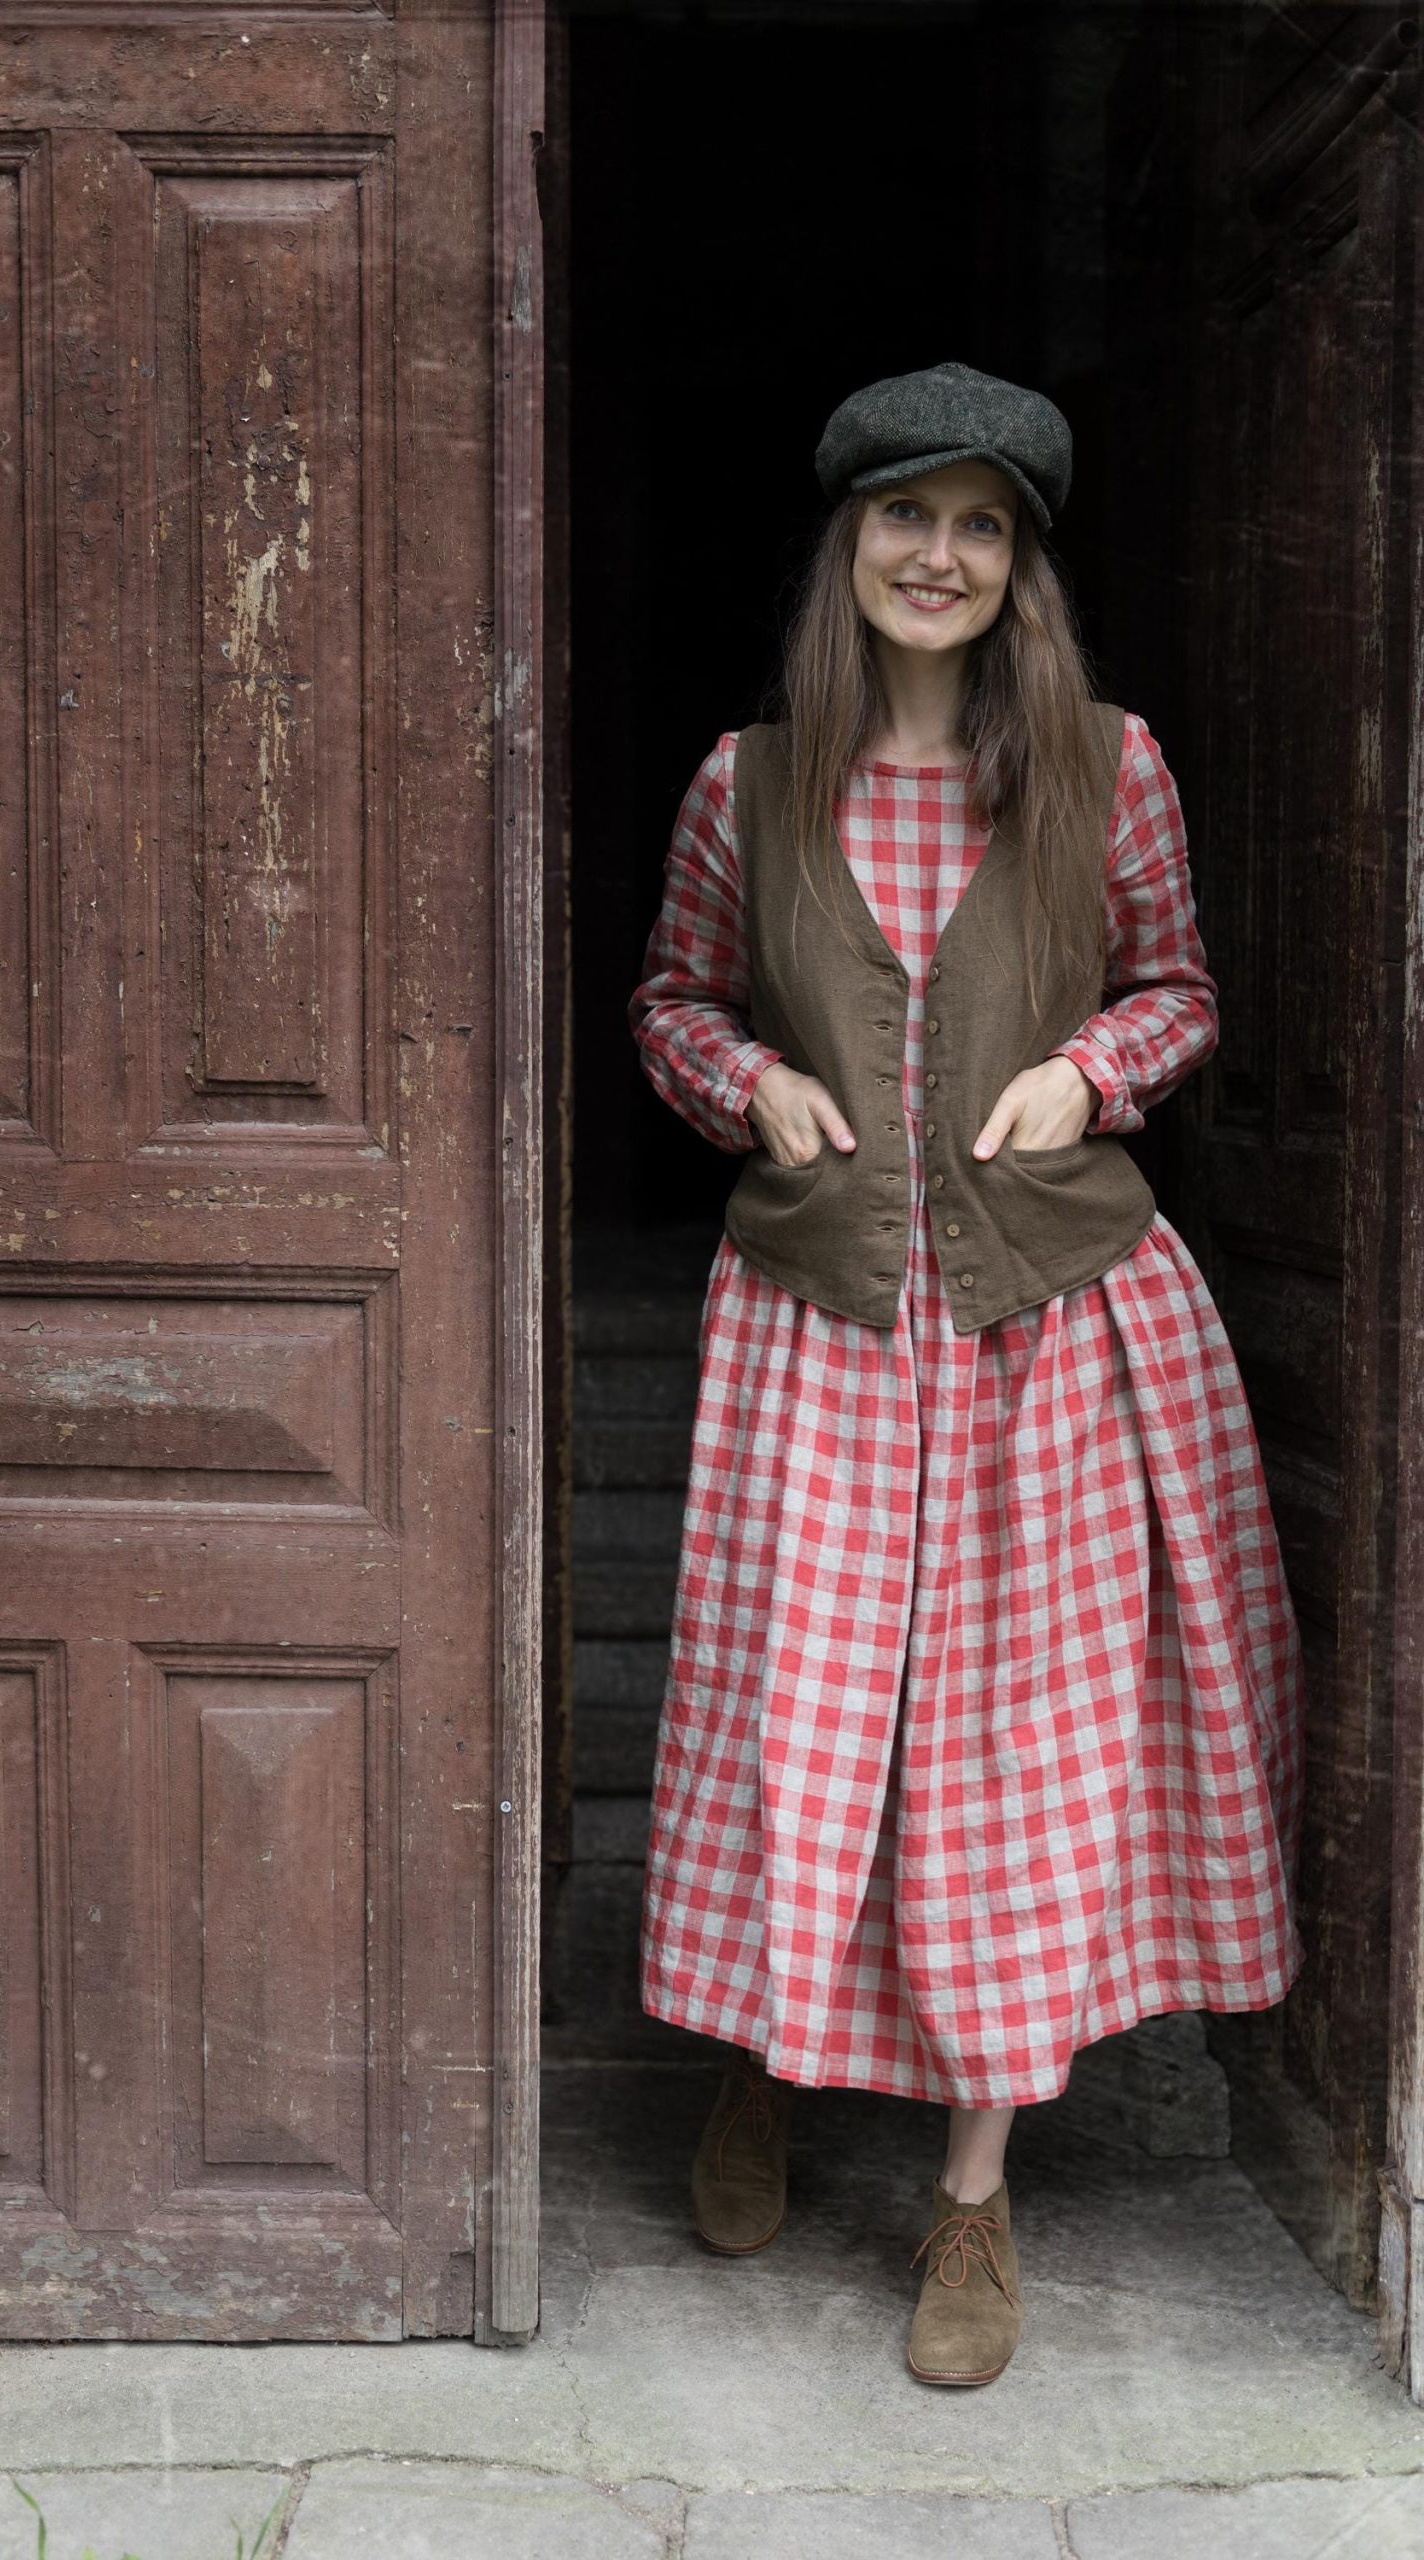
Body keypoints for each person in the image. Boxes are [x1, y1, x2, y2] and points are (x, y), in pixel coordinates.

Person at [627, 360, 1304, 2389]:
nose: (939, 554)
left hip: (1052, 1328)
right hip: (822, 1332)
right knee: (804, 1715)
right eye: (902, 519)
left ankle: (974, 2186)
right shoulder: (742, 781)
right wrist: (743, 1083)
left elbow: (1178, 986)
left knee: (1012, 1745)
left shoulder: (1109, 765)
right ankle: (765, 2066)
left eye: (980, 525)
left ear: (1019, 569)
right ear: (847, 550)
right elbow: (670, 997)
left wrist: (1083, 1070)